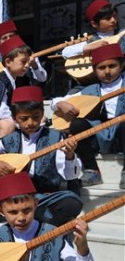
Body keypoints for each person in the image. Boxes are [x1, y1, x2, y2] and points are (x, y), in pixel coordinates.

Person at [0, 86, 83, 234]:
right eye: (24, 118)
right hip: (12, 198)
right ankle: (1, 236)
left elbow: (70, 176)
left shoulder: (56, 138)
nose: (30, 123)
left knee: (72, 202)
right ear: (14, 119)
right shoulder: (9, 140)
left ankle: (43, 234)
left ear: (42, 114)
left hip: (40, 197)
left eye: (35, 116)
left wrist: (70, 155)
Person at [52, 43, 125, 188]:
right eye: (101, 68)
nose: (107, 71)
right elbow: (56, 101)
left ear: (122, 65)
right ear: (94, 70)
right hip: (100, 133)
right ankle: (92, 170)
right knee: (78, 124)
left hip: (122, 132)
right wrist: (61, 105)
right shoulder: (90, 90)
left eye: (112, 66)